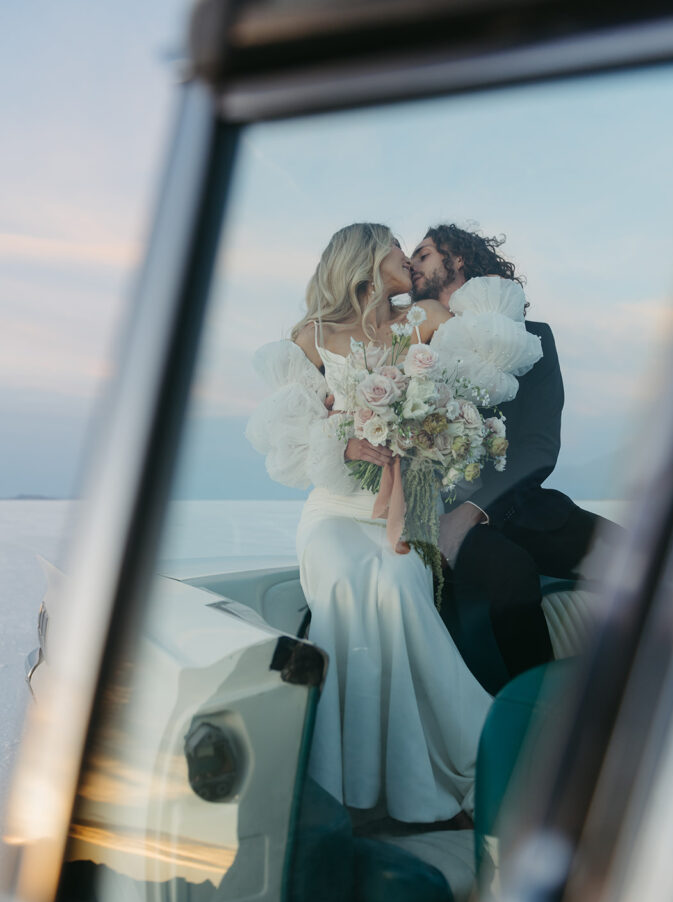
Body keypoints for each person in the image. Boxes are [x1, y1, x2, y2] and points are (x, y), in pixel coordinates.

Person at [246, 222, 493, 826]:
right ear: (365, 258)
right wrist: (345, 441)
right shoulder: (312, 336)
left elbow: (471, 389)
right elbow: (287, 437)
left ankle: (438, 772)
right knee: (346, 588)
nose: (406, 257)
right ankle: (347, 791)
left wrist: (431, 427)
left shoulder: (425, 320)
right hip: (335, 510)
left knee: (401, 584)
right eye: (394, 246)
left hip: (403, 504)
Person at [411, 224, 619, 691]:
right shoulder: (415, 345)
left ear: (457, 258)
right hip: (439, 520)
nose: (412, 266)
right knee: (510, 573)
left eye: (422, 255)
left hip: (523, 505)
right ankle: (538, 720)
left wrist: (474, 511)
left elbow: (541, 446)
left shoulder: (534, 337)